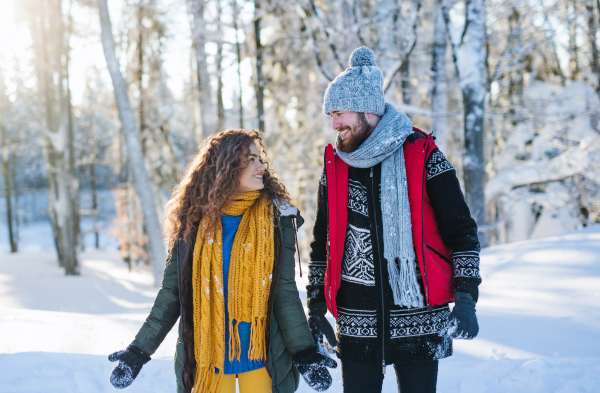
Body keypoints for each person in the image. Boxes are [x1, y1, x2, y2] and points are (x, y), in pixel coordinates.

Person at [306, 47, 481, 393]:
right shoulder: (336, 167)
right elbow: (321, 243)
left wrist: (466, 298)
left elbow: (462, 231)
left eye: (339, 113)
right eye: (331, 116)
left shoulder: (423, 154)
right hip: (356, 321)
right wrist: (314, 309)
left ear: (368, 110)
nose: (334, 124)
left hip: (418, 315)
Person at [108, 129, 336, 393]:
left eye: (260, 159)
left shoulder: (277, 219)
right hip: (209, 360)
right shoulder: (192, 222)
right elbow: (172, 294)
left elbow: (283, 291)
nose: (260, 166)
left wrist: (304, 352)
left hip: (263, 357)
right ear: (225, 167)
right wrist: (138, 352)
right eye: (250, 160)